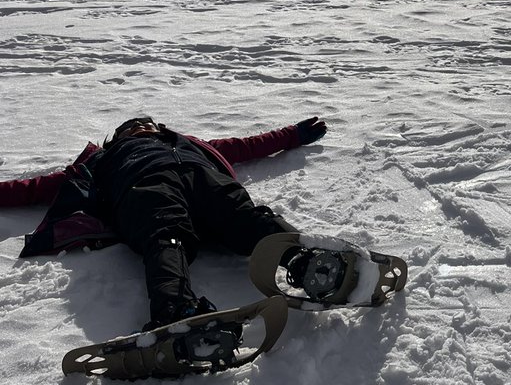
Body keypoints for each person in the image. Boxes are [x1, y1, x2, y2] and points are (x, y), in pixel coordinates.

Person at [0, 115, 327, 334]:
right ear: (118, 138)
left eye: (147, 125)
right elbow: (33, 188)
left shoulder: (191, 144)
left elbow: (247, 146)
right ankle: (175, 312)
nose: (142, 129)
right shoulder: (100, 161)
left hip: (203, 180)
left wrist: (292, 135)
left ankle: (307, 262)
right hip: (145, 188)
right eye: (132, 128)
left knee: (249, 221)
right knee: (166, 239)